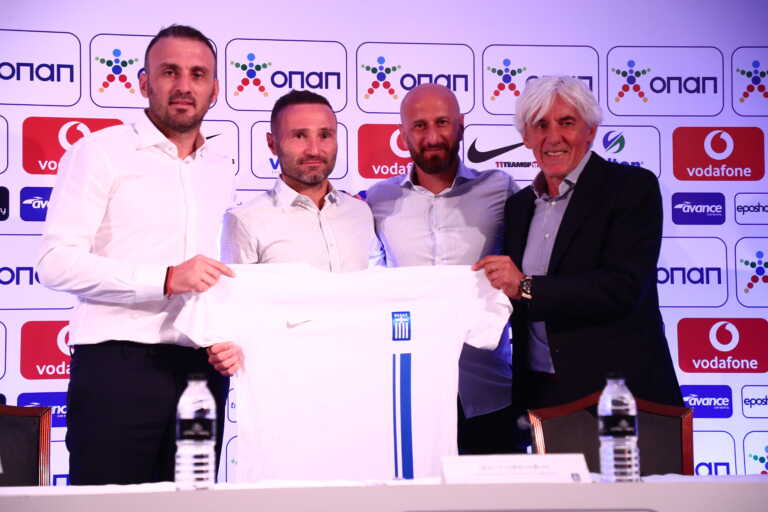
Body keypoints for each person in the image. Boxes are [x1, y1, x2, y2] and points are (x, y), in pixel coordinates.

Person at [37, 25, 241, 485]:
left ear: (214, 90)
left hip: (202, 371)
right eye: (170, 72)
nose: (184, 86)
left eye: (198, 74)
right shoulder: (99, 153)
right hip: (118, 367)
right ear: (144, 82)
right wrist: (164, 278)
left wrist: (232, 335)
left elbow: (222, 275)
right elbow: (55, 262)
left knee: (192, 500)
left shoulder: (219, 168)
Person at [474, 76, 682, 412]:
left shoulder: (631, 188)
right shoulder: (518, 207)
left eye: (567, 122)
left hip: (620, 396)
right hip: (542, 395)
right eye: (540, 125)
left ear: (591, 130)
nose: (553, 137)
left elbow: (622, 288)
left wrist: (525, 286)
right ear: (526, 137)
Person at [366, 83, 522, 454]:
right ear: (403, 135)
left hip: (487, 388)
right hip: (408, 392)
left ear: (461, 125)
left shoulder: (500, 189)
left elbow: (528, 270)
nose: (432, 136)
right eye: (419, 126)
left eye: (442, 122)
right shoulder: (377, 199)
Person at [222, 90, 374, 271]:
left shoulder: (360, 212)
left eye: (325, 135)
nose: (314, 150)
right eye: (300, 136)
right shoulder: (245, 221)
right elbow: (237, 290)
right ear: (272, 144)